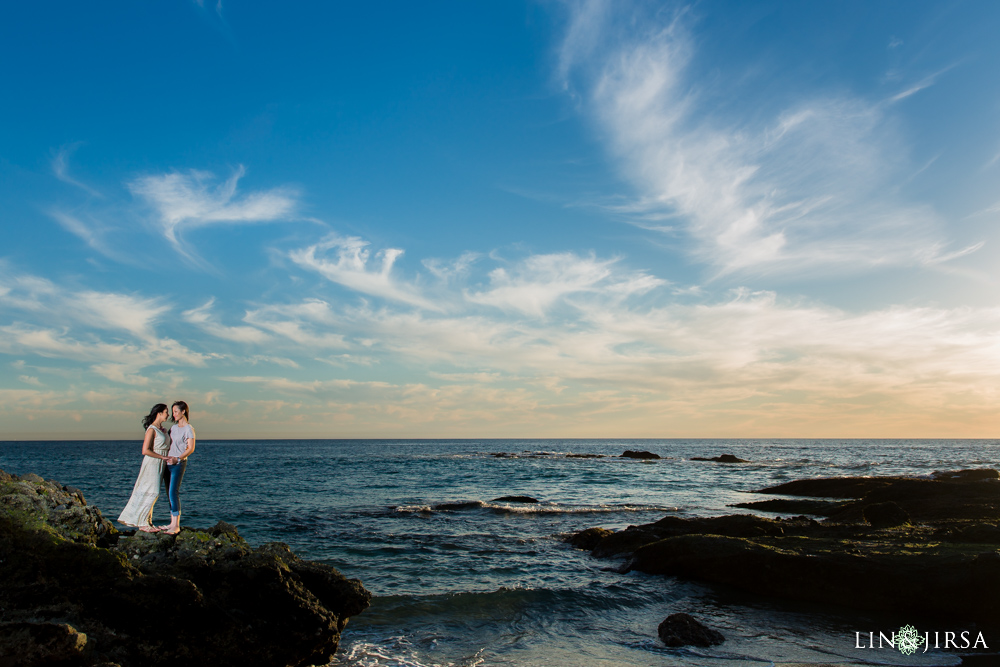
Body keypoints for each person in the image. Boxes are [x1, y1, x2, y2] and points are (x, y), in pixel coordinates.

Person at [117, 403, 171, 532]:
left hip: (162, 463)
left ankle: (148, 521)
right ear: (159, 413)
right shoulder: (152, 429)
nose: (168, 414)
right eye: (166, 412)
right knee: (153, 491)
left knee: (152, 491)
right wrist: (162, 457)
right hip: (153, 462)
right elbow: (145, 450)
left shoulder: (162, 429)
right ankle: (142, 523)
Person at [161, 400, 196, 535]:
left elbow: (191, 448)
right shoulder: (174, 428)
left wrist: (178, 458)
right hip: (167, 463)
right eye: (173, 411)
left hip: (178, 464)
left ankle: (176, 525)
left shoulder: (189, 429)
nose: (173, 414)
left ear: (183, 411)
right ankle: (172, 522)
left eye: (176, 411)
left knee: (173, 492)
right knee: (168, 493)